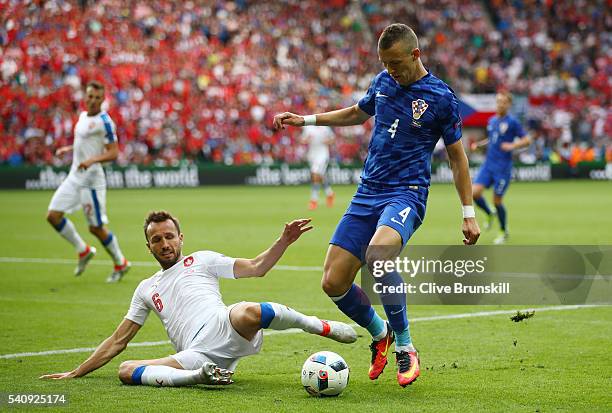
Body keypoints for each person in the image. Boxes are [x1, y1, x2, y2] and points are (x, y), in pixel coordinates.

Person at [273, 23, 480, 387]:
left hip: (406, 193)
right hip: (367, 192)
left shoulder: (441, 97)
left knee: (379, 256)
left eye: (396, 63)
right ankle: (380, 333)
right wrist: (304, 119)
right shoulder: (383, 82)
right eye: (385, 63)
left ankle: (405, 347)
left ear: (415, 55)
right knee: (333, 281)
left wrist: (468, 213)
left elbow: (457, 159)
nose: (390, 70)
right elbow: (357, 112)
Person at [40, 211, 357, 386]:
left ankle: (321, 327)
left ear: (180, 238)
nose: (164, 243)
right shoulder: (146, 288)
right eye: (156, 240)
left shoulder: (202, 260)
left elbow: (257, 268)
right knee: (125, 370)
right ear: (149, 247)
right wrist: (76, 372)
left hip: (222, 325)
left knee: (249, 310)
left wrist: (283, 241)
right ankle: (197, 378)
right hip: (193, 355)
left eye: (169, 236)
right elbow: (117, 341)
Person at [46, 81, 130, 283]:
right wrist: (70, 149)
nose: (92, 100)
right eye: (90, 96)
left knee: (96, 228)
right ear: (85, 96)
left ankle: (121, 262)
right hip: (75, 175)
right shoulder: (83, 116)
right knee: (53, 215)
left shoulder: (105, 122)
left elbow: (113, 152)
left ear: (103, 100)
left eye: (97, 98)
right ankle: (83, 250)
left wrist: (92, 160)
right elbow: (84, 143)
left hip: (91, 180)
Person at [472, 92, 531, 244]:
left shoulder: (513, 122)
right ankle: (489, 213)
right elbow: (492, 139)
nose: (500, 104)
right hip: (488, 164)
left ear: (509, 104)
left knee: (497, 200)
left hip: (503, 168)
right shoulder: (492, 120)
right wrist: (480, 144)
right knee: (474, 193)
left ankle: (504, 231)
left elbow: (527, 140)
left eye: (503, 102)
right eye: (498, 101)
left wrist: (513, 145)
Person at [300, 125, 335, 210]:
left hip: (323, 155)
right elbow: (302, 140)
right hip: (312, 155)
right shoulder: (308, 127)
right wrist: (307, 140)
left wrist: (328, 141)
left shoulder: (326, 127)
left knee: (315, 174)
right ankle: (329, 193)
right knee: (320, 176)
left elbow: (332, 139)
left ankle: (314, 200)